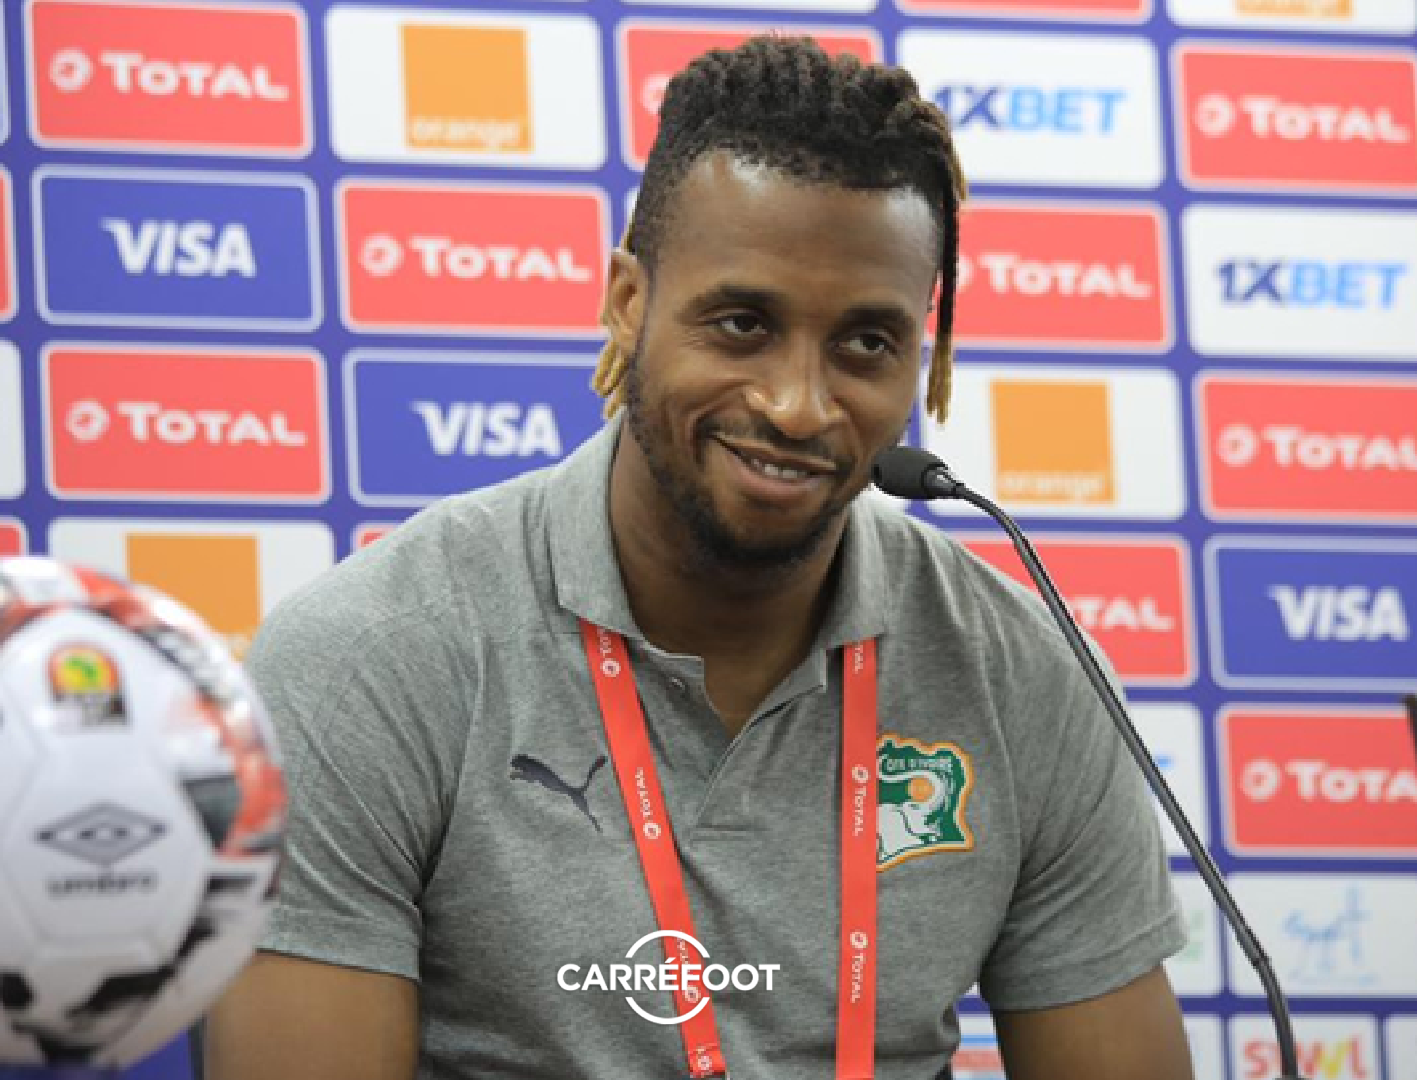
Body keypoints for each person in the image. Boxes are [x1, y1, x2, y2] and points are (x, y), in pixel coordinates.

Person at [206, 36, 1193, 1080]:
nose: (798, 406)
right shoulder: (367, 659)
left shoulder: (1029, 670)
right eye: (742, 324)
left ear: (923, 355)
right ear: (627, 303)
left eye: (866, 344)